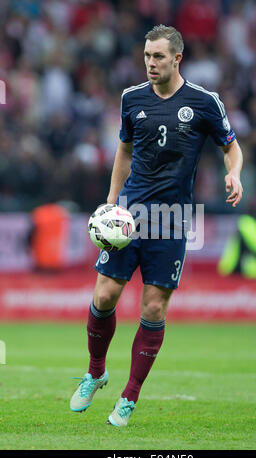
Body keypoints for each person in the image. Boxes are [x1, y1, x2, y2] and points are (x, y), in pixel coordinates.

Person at [70, 25, 243, 427]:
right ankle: (96, 371)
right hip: (130, 214)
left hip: (172, 219)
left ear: (177, 58)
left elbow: (231, 147)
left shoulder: (204, 102)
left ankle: (129, 396)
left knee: (153, 306)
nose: (151, 63)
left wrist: (234, 173)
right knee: (104, 296)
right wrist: (111, 203)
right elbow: (124, 152)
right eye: (147, 56)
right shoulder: (131, 98)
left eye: (159, 57)